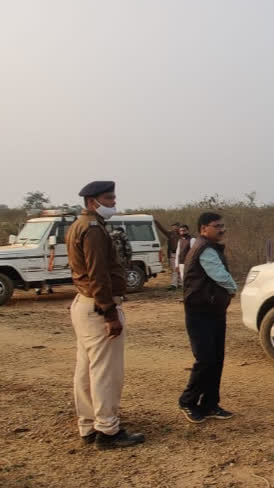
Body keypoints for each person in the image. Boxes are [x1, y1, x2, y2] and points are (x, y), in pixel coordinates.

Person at [66, 180, 145, 449]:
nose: (113, 202)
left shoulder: (80, 226)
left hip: (84, 303)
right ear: (92, 202)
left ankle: (88, 425)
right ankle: (108, 430)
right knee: (105, 372)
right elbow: (98, 274)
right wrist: (110, 313)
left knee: (86, 369)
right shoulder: (94, 230)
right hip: (98, 306)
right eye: (109, 198)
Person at [178, 212, 237, 423]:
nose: (222, 229)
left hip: (212, 311)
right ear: (204, 229)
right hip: (200, 312)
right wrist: (233, 289)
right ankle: (188, 401)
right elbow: (219, 275)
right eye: (217, 226)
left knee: (216, 359)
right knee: (205, 359)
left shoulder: (209, 247)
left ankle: (210, 404)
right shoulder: (205, 249)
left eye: (223, 225)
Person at [155, 220, 181, 289]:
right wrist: (156, 222)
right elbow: (162, 229)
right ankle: (174, 285)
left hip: (181, 254)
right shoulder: (170, 234)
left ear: (178, 227)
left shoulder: (182, 234)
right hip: (173, 254)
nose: (174, 228)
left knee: (180, 269)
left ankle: (180, 283)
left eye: (175, 227)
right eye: (173, 227)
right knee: (174, 269)